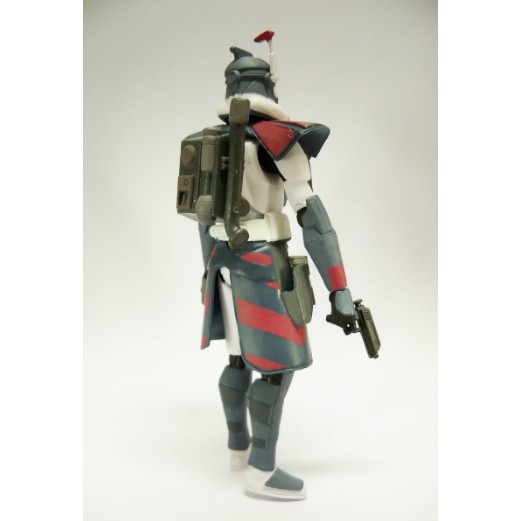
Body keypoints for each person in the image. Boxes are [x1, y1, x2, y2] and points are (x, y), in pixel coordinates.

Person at [180, 33, 357, 500]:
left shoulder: (208, 143)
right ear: (268, 86)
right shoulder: (278, 140)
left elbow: (204, 220)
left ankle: (237, 447)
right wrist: (338, 287)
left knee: (237, 358)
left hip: (221, 265)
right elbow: (313, 218)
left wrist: (208, 272)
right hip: (260, 265)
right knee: (276, 370)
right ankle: (261, 468)